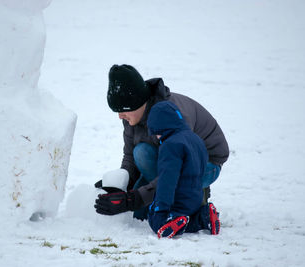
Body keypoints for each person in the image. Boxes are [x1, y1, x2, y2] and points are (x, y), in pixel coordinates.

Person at [94, 64, 229, 225]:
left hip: (203, 164)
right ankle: (174, 198)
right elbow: (130, 156)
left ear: (137, 102)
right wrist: (121, 184)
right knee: (139, 212)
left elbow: (175, 172)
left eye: (123, 110)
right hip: (170, 160)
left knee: (154, 203)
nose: (120, 116)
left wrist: (133, 198)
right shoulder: (131, 118)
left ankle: (196, 202)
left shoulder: (171, 115)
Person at [146, 100, 220, 238]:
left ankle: (171, 222)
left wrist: (161, 208)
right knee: (190, 216)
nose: (156, 137)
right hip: (196, 199)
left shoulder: (170, 145)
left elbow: (167, 180)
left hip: (177, 201)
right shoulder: (196, 139)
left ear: (160, 127)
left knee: (154, 219)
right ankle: (204, 217)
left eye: (155, 132)